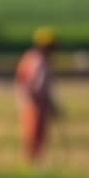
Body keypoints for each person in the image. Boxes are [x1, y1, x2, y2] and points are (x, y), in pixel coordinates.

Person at [16, 27, 61, 163]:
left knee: (36, 139)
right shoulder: (38, 62)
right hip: (36, 105)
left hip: (35, 104)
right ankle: (32, 167)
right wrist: (46, 104)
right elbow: (33, 87)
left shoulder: (31, 58)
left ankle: (34, 166)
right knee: (34, 138)